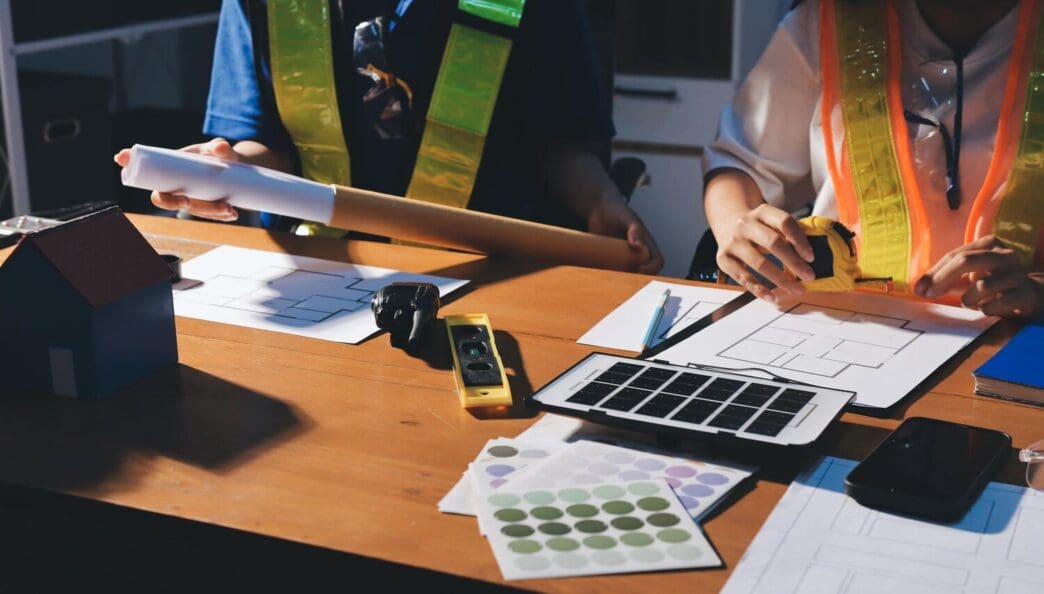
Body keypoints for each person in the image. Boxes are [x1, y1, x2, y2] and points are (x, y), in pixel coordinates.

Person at [115, 0, 663, 274]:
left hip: (492, 274)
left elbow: (561, 146)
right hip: (325, 276)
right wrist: (226, 169)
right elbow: (268, 146)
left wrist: (601, 201)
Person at [703, 0, 1043, 319]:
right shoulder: (828, 21)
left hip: (1010, 344)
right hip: (848, 329)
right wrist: (736, 220)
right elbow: (740, 162)